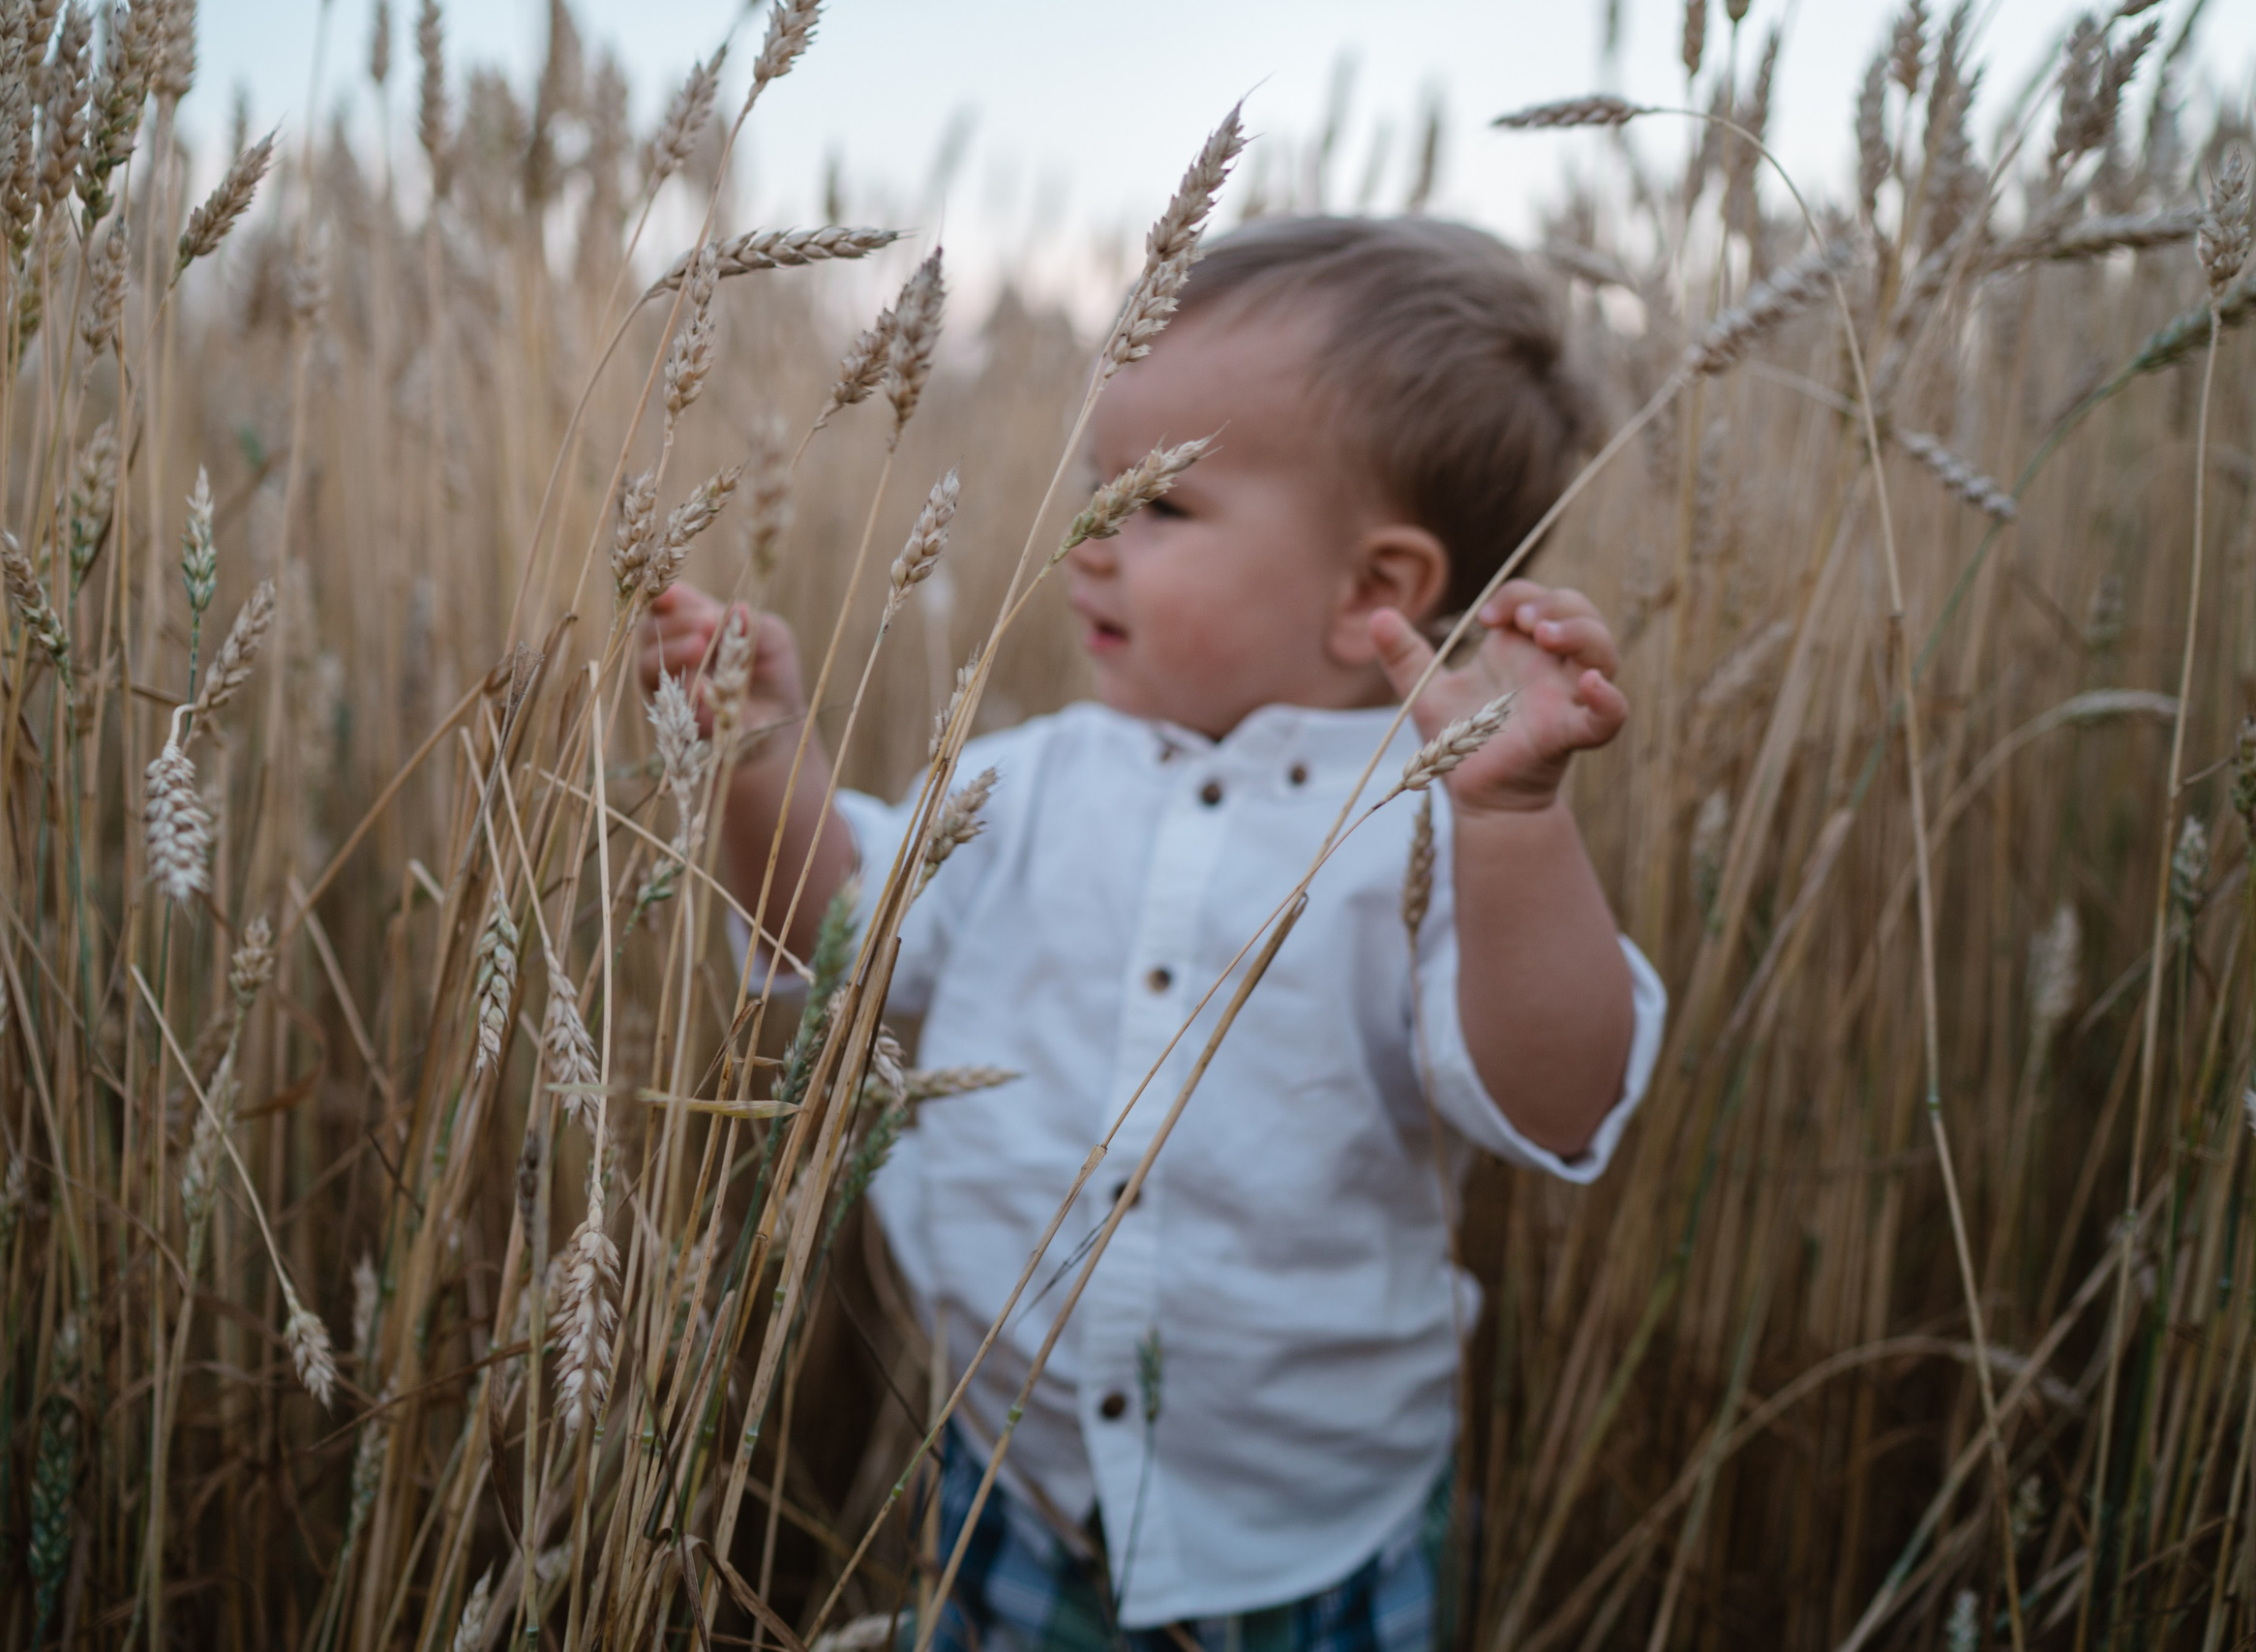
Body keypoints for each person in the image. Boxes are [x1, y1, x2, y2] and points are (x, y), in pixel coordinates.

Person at [640, 216, 1667, 1652]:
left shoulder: (1424, 833)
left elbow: (1557, 1095)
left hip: (1306, 1538)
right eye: (1093, 491)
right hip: (1015, 1486)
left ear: (1378, 590)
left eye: (1161, 507)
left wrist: (1513, 824)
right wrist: (761, 758)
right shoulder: (1037, 776)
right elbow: (842, 933)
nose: (1090, 546)